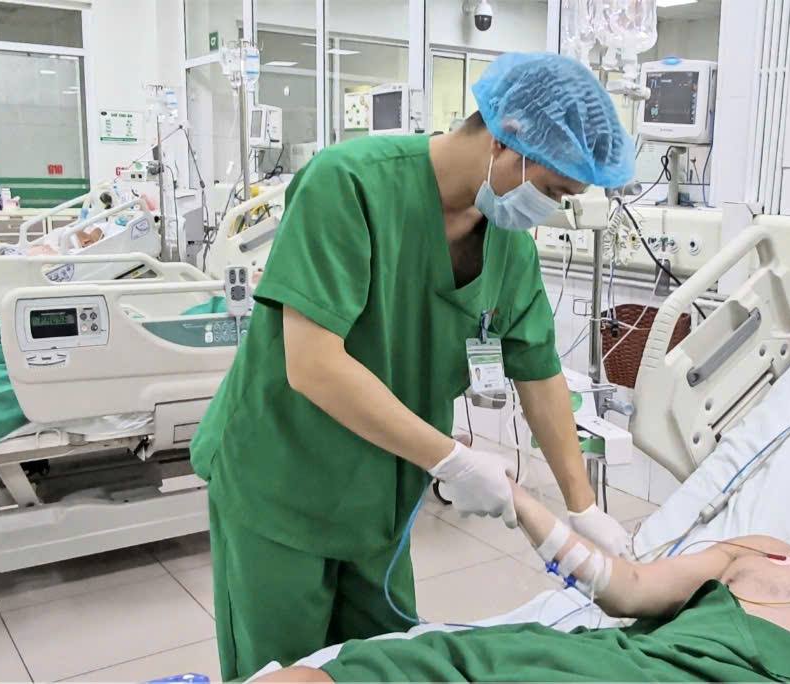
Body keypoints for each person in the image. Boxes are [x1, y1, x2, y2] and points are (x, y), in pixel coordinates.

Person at [190, 52, 636, 680]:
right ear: (513, 144)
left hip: (379, 498)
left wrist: (581, 506)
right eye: (557, 191)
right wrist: (450, 459)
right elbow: (313, 365)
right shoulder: (348, 183)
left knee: (388, 666)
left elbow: (538, 373)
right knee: (284, 670)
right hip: (280, 484)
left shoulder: (507, 244)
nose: (553, 210)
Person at [253, 437, 790, 682]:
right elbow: (622, 591)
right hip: (618, 664)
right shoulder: (763, 550)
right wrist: (519, 502)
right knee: (413, 664)